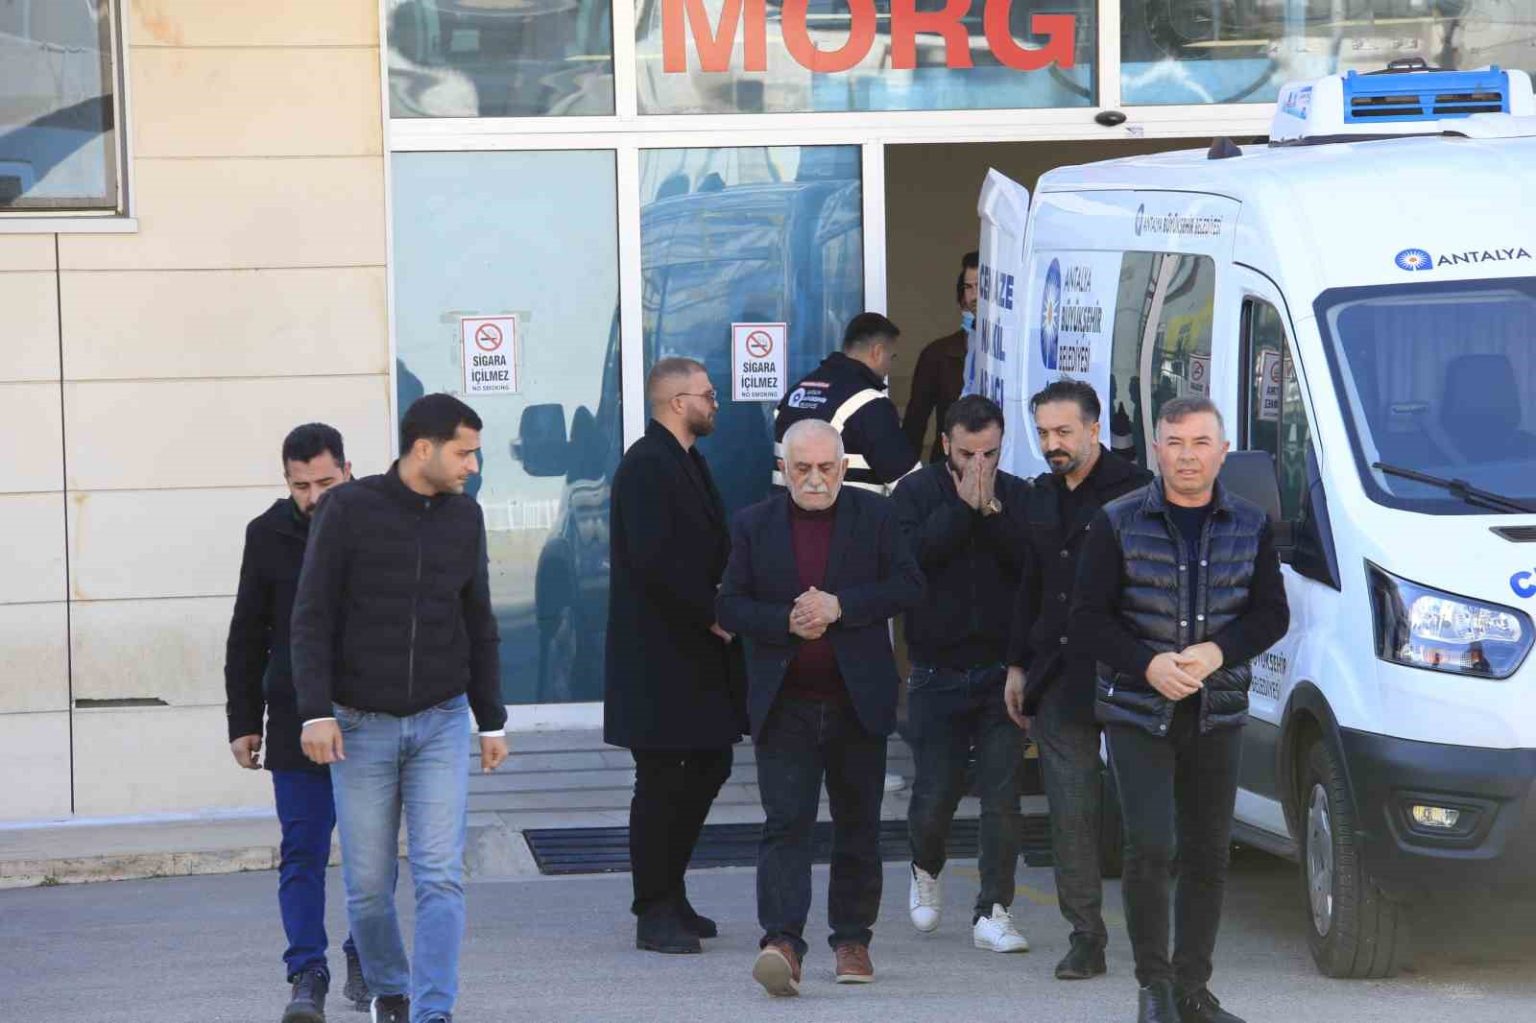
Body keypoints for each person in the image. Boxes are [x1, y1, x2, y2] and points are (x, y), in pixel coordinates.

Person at [1070, 396, 1289, 1023]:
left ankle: (1193, 989)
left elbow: (1272, 615)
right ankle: (1155, 988)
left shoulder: (1251, 524)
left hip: (1217, 711)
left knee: (1208, 853)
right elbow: (1086, 619)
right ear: (1155, 449)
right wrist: (1149, 665)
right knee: (1149, 847)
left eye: (1200, 443)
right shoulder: (1116, 522)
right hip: (1138, 711)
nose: (1187, 456)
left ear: (1223, 452)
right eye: (1174, 442)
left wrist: (1218, 652)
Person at [292, 394, 510, 1023]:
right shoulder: (347, 509)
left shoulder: (465, 517)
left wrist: (491, 720)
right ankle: (391, 990)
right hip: (358, 726)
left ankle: (433, 1011)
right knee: (367, 888)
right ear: (424, 448)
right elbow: (311, 616)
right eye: (464, 452)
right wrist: (315, 712)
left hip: (441, 721)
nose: (472, 465)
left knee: (440, 875)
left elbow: (478, 619)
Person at [717, 419, 923, 997]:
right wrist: (785, 620)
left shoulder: (876, 516)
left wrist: (841, 606)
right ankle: (782, 943)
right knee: (786, 825)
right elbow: (729, 606)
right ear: (783, 469)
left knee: (858, 826)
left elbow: (909, 585)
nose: (814, 479)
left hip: (858, 702)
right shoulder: (753, 525)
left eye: (826, 468)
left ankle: (852, 938)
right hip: (786, 704)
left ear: (843, 467)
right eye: (802, 468)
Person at [1003, 379, 1152, 981]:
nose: (1052, 444)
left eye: (1063, 432)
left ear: (1094, 429)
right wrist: (1017, 664)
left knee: (1145, 815)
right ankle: (1086, 937)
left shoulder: (1139, 490)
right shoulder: (1041, 496)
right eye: (1043, 433)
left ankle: (1155, 940)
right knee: (1070, 814)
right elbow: (1028, 585)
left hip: (1130, 671)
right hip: (1059, 674)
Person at [225, 423, 369, 1023]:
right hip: (293, 718)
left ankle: (367, 956)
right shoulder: (267, 534)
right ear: (286, 481)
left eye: (325, 483)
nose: (313, 497)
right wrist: (243, 720)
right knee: (303, 852)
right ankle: (307, 973)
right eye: (300, 486)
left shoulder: (378, 521)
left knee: (369, 856)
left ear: (349, 471)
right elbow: (247, 632)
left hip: (369, 716)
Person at [604, 357, 745, 956]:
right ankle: (653, 909)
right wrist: (711, 613)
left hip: (695, 657)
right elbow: (655, 560)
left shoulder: (687, 460)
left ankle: (672, 889)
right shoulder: (646, 465)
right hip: (659, 658)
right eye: (707, 395)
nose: (715, 403)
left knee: (711, 763)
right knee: (661, 779)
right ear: (677, 402)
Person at [891, 395, 1032, 953]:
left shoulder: (1017, 495)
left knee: (1002, 797)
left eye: (990, 453)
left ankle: (993, 909)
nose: (980, 465)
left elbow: (1030, 567)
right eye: (968, 453)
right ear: (946, 443)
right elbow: (909, 562)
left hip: (1001, 673)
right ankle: (925, 866)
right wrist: (960, 510)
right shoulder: (915, 493)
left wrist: (991, 512)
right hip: (936, 670)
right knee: (935, 794)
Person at [774, 312, 920, 496]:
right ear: (877, 352)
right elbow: (912, 488)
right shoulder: (870, 404)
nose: (889, 367)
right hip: (846, 513)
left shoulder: (795, 394)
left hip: (788, 511)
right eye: (892, 357)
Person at [903, 252, 980, 463]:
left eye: (981, 287)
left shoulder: (1013, 353)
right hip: (948, 468)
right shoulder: (938, 354)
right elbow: (915, 422)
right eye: (968, 288)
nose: (974, 296)